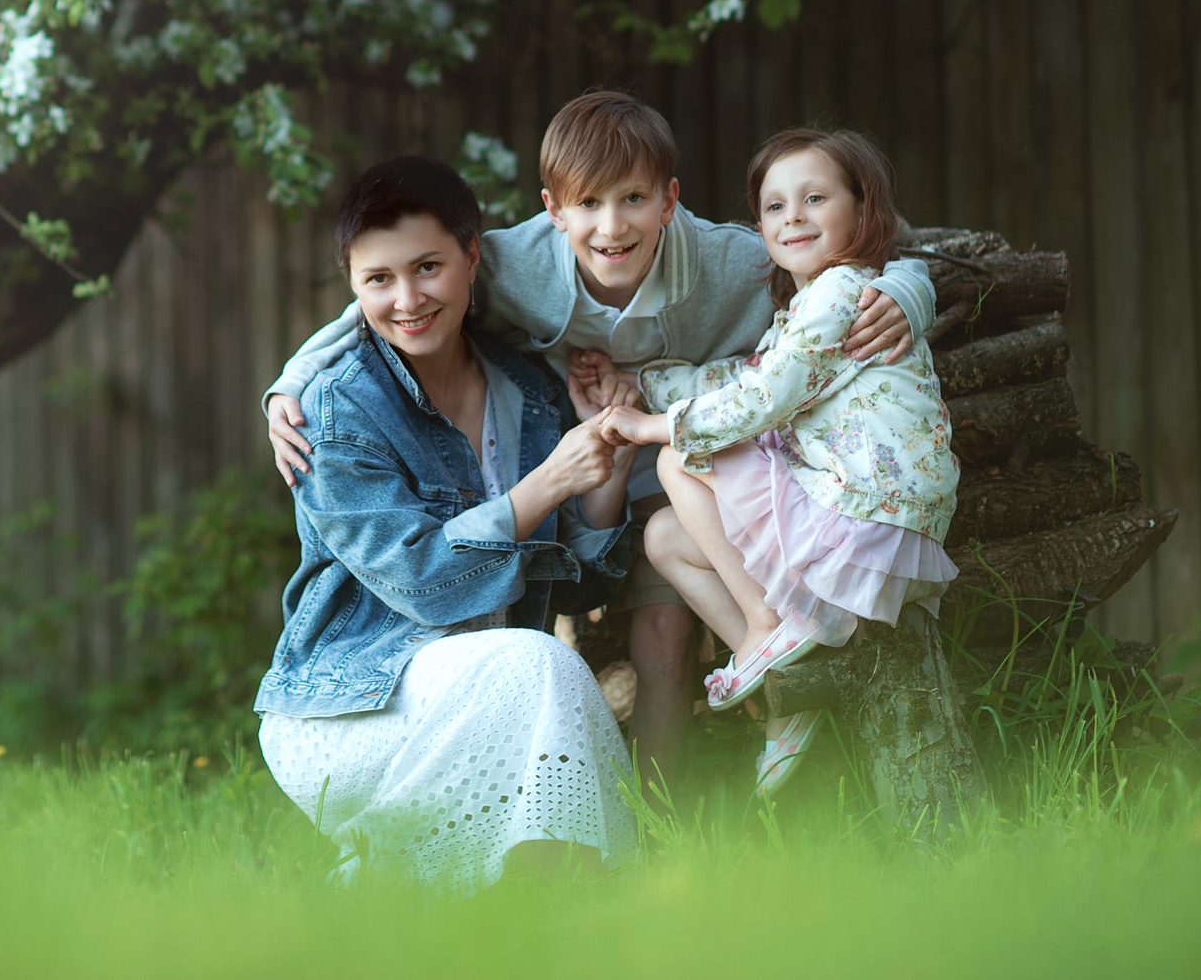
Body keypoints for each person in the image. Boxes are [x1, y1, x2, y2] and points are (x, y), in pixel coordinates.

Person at [263, 92, 936, 784]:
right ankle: (649, 819)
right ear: (555, 211)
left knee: (667, 629)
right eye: (587, 205)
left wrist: (911, 292)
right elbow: (395, 286)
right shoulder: (509, 262)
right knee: (651, 642)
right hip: (592, 453)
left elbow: (874, 243)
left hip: (709, 453)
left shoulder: (733, 259)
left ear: (669, 200)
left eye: (634, 199)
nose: (611, 226)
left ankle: (724, 776)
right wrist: (295, 377)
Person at [255, 156, 640, 891]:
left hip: (488, 684)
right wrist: (548, 479)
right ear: (352, 286)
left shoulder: (527, 387)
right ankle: (606, 895)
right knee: (542, 663)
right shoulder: (333, 411)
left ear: (473, 256)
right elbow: (426, 584)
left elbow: (582, 575)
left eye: (428, 266)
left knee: (539, 669)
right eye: (379, 280)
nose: (407, 298)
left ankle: (488, 909)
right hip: (355, 705)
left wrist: (608, 457)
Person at [596, 128, 960, 797]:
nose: (792, 216)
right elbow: (749, 373)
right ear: (758, 223)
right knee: (665, 537)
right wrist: (640, 382)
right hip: (853, 513)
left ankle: (767, 624)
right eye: (774, 206)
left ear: (863, 208)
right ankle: (783, 688)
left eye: (815, 198)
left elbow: (767, 395)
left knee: (680, 460)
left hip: (865, 514)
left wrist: (653, 426)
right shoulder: (802, 308)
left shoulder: (845, 291)